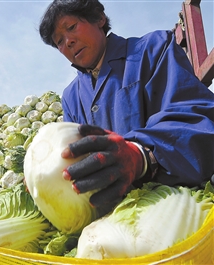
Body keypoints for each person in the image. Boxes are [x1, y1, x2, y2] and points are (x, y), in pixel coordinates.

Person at [39, 0, 214, 214]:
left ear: (99, 18)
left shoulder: (153, 49)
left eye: (71, 27)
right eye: (59, 41)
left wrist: (141, 156)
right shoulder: (71, 97)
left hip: (176, 205)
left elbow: (195, 117)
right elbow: (73, 158)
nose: (68, 42)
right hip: (113, 218)